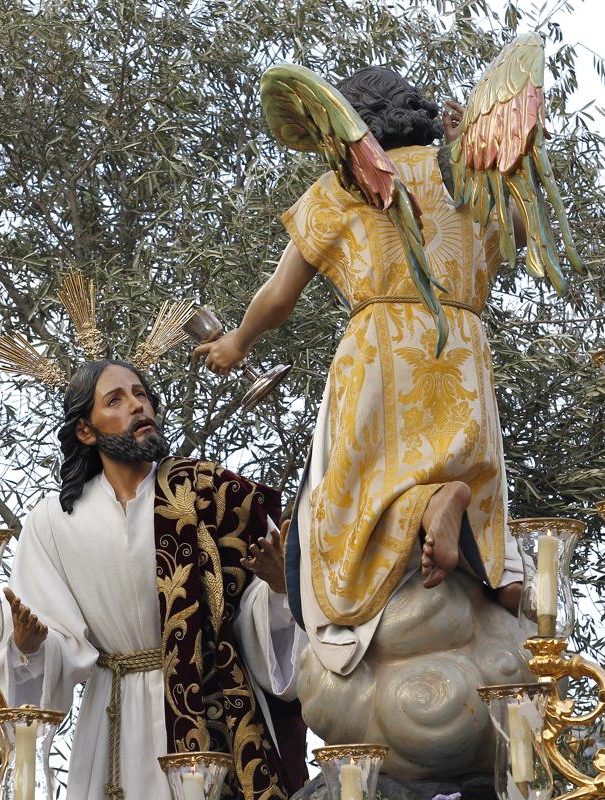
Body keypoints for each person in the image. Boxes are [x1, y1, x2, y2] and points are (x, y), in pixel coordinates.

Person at [194, 66, 522, 676]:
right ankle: (502, 574)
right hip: (464, 348)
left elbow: (279, 295)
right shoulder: (467, 181)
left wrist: (237, 342)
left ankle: (426, 504)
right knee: (474, 471)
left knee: (349, 500)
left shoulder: (347, 182)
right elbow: (519, 233)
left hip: (380, 351)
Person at [0, 359, 305, 799]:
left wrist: (278, 587)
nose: (138, 406)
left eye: (141, 395)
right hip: (113, 716)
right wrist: (28, 648)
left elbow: (250, 623)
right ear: (86, 430)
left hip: (208, 709)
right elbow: (55, 642)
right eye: (116, 400)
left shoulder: (212, 495)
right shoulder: (54, 521)